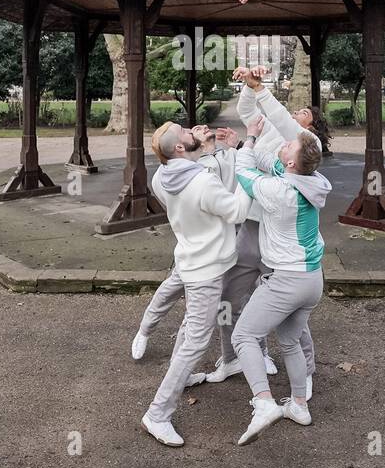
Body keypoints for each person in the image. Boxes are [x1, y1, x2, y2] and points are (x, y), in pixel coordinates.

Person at [196, 65, 328, 399]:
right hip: (251, 227)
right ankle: (232, 358)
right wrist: (250, 87)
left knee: (291, 314)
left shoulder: (300, 144)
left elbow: (258, 157)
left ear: (310, 127)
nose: (294, 115)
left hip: (277, 235)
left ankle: (305, 371)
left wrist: (260, 89)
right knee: (230, 295)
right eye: (293, 111)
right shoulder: (274, 133)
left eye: (302, 114)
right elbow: (248, 116)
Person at [140, 122, 252, 447]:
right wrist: (245, 163)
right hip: (208, 269)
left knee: (191, 325)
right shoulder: (203, 181)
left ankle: (185, 376)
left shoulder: (160, 177)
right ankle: (158, 414)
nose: (192, 130)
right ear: (179, 147)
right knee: (196, 341)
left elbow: (190, 178)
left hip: (189, 260)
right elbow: (237, 211)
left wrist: (203, 151)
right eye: (186, 132)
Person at [230, 116, 331, 445]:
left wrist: (248, 138)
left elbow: (244, 174)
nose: (284, 143)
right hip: (312, 279)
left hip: (286, 280)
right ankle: (299, 405)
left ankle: (263, 403)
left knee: (243, 336)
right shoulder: (310, 179)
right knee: (289, 341)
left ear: (291, 160)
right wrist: (252, 144)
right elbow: (268, 162)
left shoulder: (280, 191)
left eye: (289, 144)